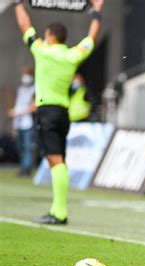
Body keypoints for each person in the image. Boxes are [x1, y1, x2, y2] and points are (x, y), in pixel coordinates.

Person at [14, 0, 104, 224]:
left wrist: (18, 4)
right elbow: (91, 40)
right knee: (59, 159)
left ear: (51, 36)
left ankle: (60, 212)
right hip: (63, 113)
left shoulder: (42, 51)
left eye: (46, 35)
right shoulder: (72, 55)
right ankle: (56, 209)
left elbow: (25, 25)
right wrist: (98, 13)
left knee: (56, 161)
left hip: (48, 111)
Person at [9, 67, 36, 176]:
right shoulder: (21, 89)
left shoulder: (35, 89)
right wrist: (14, 123)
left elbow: (35, 106)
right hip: (19, 122)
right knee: (20, 146)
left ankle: (26, 168)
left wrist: (18, 112)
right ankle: (23, 166)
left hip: (29, 122)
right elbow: (18, 104)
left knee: (28, 146)